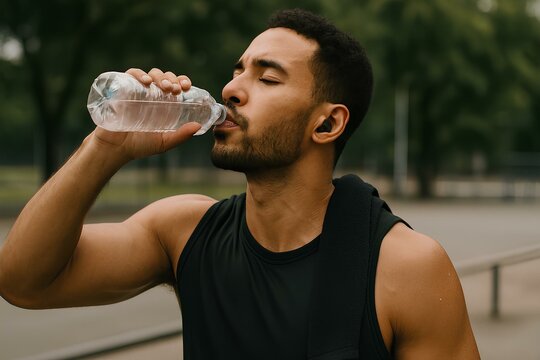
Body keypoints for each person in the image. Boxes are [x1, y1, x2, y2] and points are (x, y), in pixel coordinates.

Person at [0, 8, 479, 360]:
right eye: (237, 69)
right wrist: (108, 146)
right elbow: (24, 282)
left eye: (267, 78)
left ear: (327, 125)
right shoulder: (184, 230)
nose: (231, 89)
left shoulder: (406, 267)